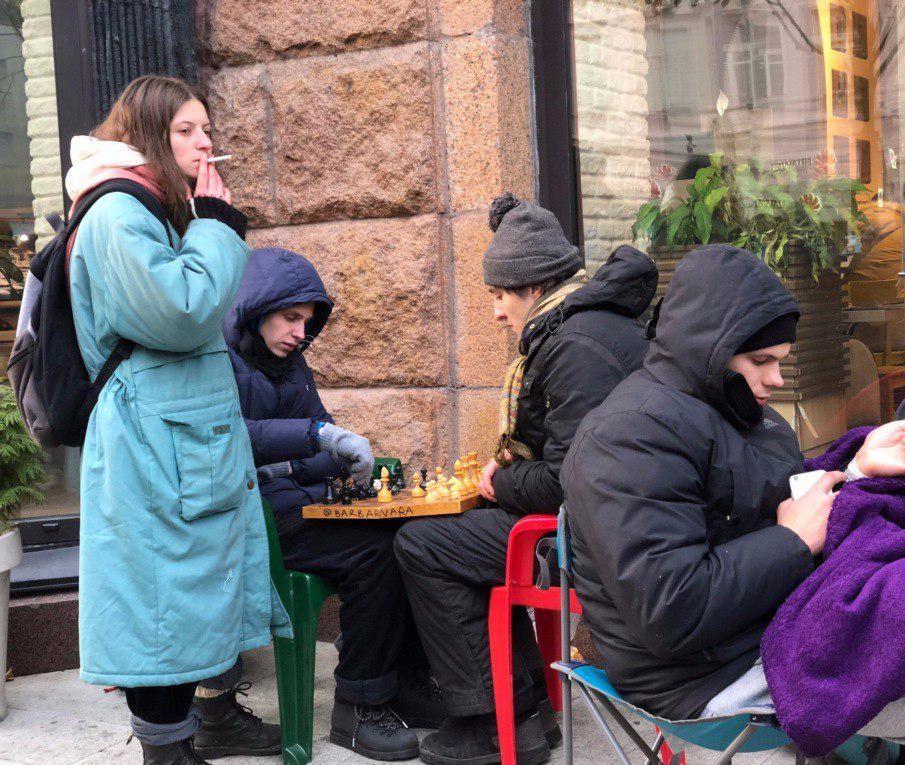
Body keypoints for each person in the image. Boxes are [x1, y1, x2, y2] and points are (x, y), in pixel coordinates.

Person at [562, 245, 905, 762]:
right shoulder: (627, 438)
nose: (777, 379)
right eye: (761, 361)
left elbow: (777, 506)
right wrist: (792, 541)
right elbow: (671, 612)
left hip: (787, 626)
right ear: (709, 348)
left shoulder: (744, 414)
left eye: (779, 361)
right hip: (714, 673)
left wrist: (857, 471)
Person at [66, 76, 290, 765]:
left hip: (174, 442)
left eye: (207, 128)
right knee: (157, 607)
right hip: (150, 445)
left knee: (181, 602)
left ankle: (187, 737)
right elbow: (178, 310)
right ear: (147, 136)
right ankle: (166, 753)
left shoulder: (154, 207)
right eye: (187, 130)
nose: (206, 142)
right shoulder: (114, 213)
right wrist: (220, 231)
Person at [394, 193, 658, 765]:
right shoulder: (590, 327)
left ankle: (493, 720)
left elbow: (572, 478)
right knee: (465, 536)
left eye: (498, 296)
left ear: (533, 288)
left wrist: (501, 481)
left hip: (597, 543)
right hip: (616, 524)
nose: (495, 312)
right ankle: (528, 712)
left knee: (422, 544)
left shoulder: (573, 347)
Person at [213, 245, 443, 761]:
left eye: (307, 321)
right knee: (374, 555)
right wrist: (316, 437)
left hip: (291, 505)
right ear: (256, 307)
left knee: (410, 541)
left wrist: (341, 461)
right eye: (290, 317)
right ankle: (358, 710)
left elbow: (309, 448)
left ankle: (403, 681)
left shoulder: (293, 366)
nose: (300, 332)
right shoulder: (213, 360)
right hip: (248, 522)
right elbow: (230, 433)